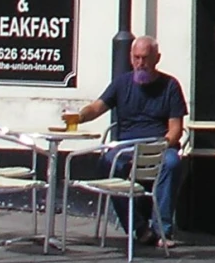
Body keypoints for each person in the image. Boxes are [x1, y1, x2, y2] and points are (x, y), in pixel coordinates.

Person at [75, 36, 187, 248]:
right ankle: (139, 228)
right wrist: (79, 116)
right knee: (109, 164)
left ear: (157, 58)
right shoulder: (121, 83)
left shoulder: (170, 86)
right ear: (130, 58)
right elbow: (98, 107)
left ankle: (162, 229)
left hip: (158, 145)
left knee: (172, 164)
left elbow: (176, 129)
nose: (140, 63)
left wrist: (163, 144)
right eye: (136, 58)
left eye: (145, 58)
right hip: (126, 147)